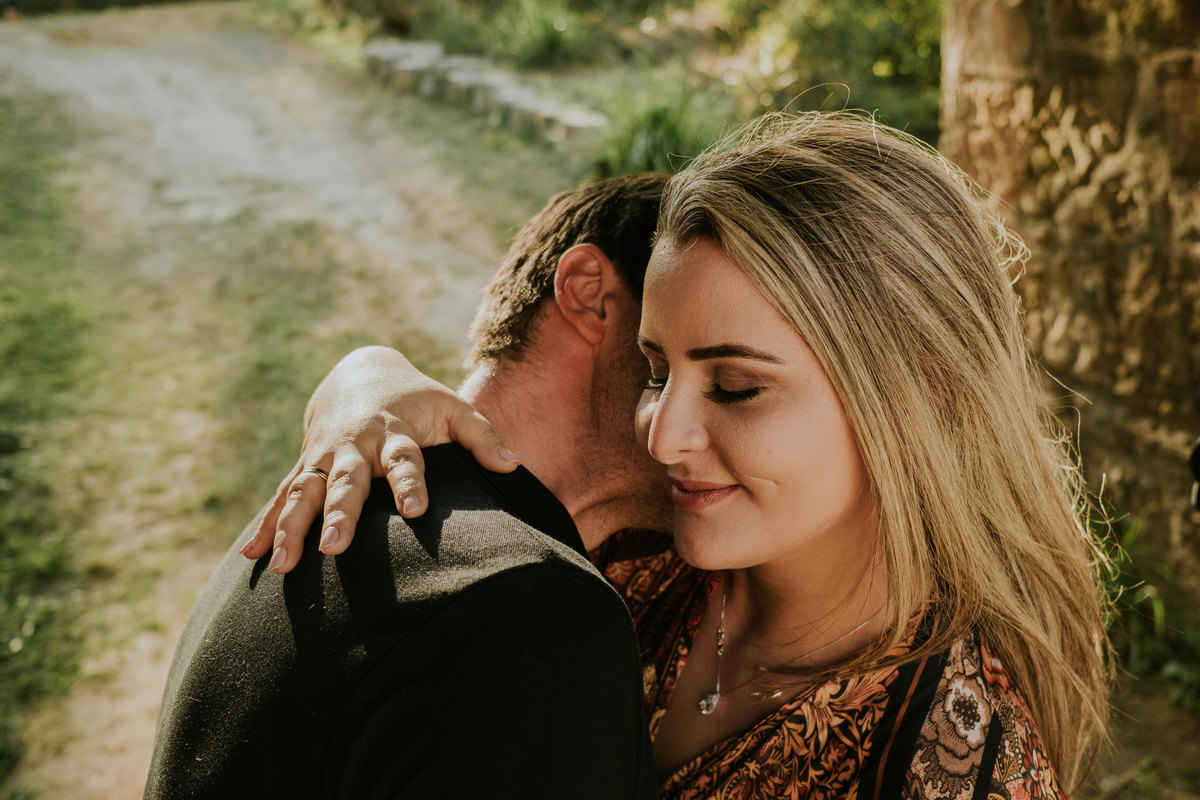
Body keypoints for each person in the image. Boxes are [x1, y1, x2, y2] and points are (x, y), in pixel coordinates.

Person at [256, 113, 1113, 797]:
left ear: (927, 390)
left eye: (736, 388)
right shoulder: (643, 554)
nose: (662, 438)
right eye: (656, 373)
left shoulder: (951, 766)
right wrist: (362, 384)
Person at [145, 174, 672, 799]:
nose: (704, 412)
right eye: (677, 356)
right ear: (591, 297)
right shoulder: (529, 613)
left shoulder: (337, 509)